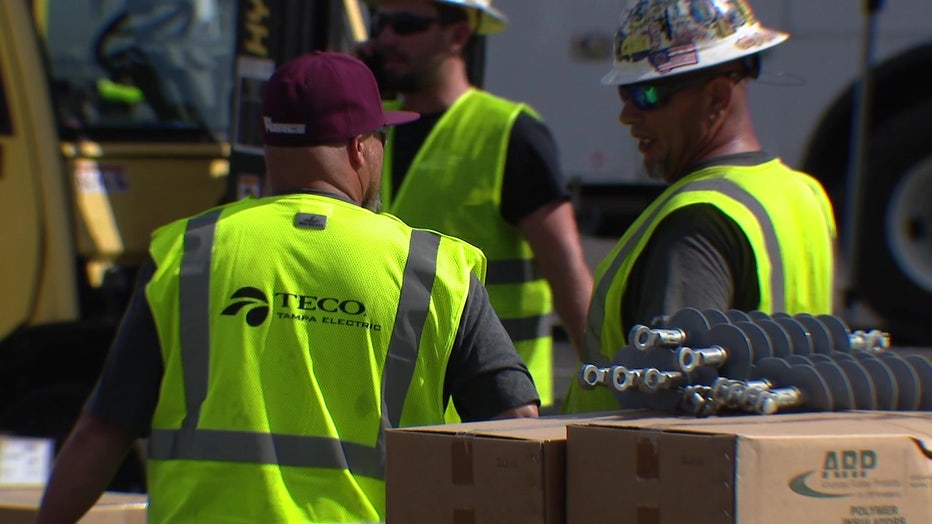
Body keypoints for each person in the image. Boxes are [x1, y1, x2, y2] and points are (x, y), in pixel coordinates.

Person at [36, 51, 539, 524]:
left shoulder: (190, 251)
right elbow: (515, 422)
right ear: (359, 147)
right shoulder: (432, 268)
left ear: (271, 146)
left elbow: (103, 431)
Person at [563, 0, 838, 413]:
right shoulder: (805, 194)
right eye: (626, 92)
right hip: (773, 457)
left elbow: (670, 411)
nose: (627, 114)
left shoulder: (697, 221)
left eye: (648, 93)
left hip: (647, 473)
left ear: (717, 96)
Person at [361, 0, 595, 408]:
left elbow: (568, 273)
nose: (385, 39)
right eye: (380, 23)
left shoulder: (510, 133)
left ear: (458, 35)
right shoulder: (372, 131)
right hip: (396, 404)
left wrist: (608, 384)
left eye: (405, 25)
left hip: (498, 407)